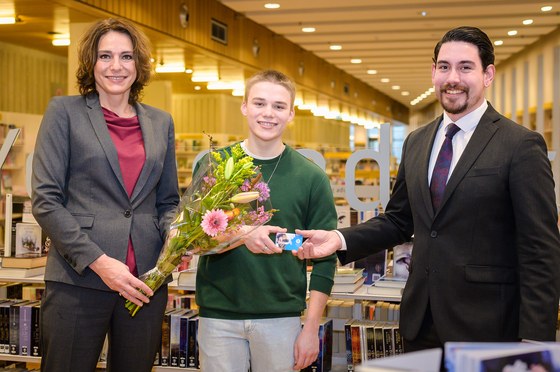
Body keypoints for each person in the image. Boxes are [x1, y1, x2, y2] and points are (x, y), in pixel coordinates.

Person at [294, 26, 560, 353]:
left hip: (488, 326)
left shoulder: (519, 145)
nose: (453, 77)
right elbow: (398, 221)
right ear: (433, 72)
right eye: (444, 67)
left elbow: (540, 250)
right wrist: (338, 238)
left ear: (488, 74)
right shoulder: (417, 142)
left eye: (466, 67)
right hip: (420, 322)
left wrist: (535, 341)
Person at [31, 18, 180, 372]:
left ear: (139, 65)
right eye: (105, 56)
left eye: (127, 56)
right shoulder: (63, 113)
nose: (116, 66)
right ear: (90, 63)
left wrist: (176, 233)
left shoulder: (161, 122)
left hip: (145, 281)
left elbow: (168, 201)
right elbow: (45, 199)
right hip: (79, 278)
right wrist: (99, 261)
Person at [194, 69, 338, 372]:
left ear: (291, 114)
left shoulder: (311, 177)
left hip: (281, 318)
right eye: (259, 103)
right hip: (219, 316)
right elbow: (194, 239)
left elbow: (326, 257)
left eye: (278, 106)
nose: (268, 113)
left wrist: (311, 329)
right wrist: (241, 234)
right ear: (245, 107)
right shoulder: (216, 165)